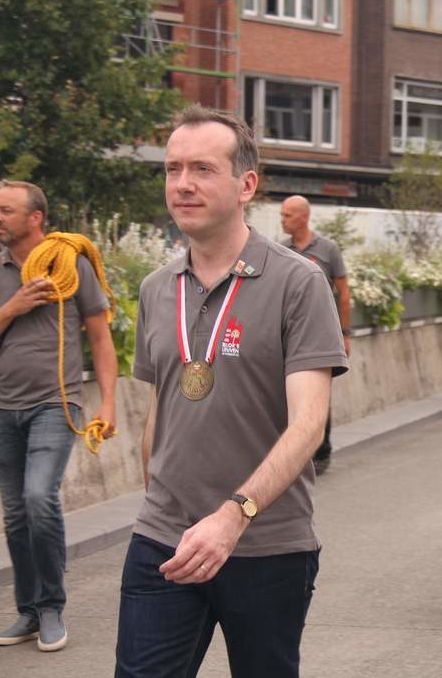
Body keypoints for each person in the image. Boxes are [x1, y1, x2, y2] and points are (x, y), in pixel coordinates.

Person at [115, 106, 347, 676]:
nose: (182, 184)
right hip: (164, 542)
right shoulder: (155, 287)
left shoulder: (299, 282)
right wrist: (160, 503)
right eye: (172, 170)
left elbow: (308, 425)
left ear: (246, 184)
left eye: (201, 168)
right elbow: (161, 408)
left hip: (267, 546)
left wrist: (233, 514)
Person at [0, 181, 117, 652]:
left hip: (57, 402)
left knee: (38, 497)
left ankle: (52, 606)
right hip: (1, 408)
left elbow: (100, 336)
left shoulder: (70, 263)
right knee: (15, 516)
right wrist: (12, 307)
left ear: (35, 217)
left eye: (6, 210)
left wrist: (108, 403)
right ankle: (29, 613)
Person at [280, 195, 351, 474]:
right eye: (282, 215)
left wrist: (345, 333)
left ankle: (322, 449)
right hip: (288, 333)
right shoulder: (281, 250)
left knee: (318, 392)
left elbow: (344, 293)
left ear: (303, 217)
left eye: (287, 215)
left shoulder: (328, 249)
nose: (283, 220)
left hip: (321, 333)